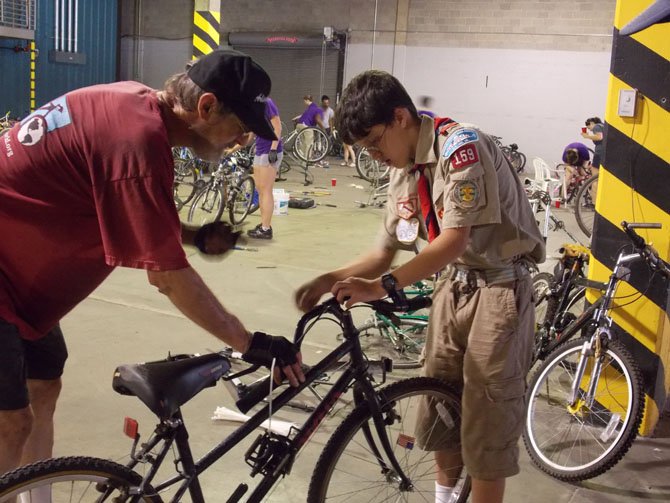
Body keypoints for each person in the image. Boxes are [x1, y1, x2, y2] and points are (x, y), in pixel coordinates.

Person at [0, 49, 304, 476]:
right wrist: (248, 342)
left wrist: (195, 236)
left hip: (17, 287)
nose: (240, 142)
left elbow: (131, 206)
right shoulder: (137, 141)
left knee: (43, 386)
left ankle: (32, 491)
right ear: (207, 106)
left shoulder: (134, 104)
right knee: (10, 423)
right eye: (238, 128)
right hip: (4, 285)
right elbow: (167, 277)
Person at [295, 70, 545, 503]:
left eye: (374, 142)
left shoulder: (460, 148)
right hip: (453, 288)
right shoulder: (402, 171)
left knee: (485, 424)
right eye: (363, 150)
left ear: (400, 118)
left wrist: (382, 286)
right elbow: (382, 254)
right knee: (440, 410)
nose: (373, 156)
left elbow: (453, 240)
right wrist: (329, 278)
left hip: (499, 290)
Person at [247, 97, 283, 240]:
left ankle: (266, 229)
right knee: (260, 189)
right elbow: (252, 132)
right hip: (260, 150)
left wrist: (273, 149)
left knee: (266, 190)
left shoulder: (267, 103)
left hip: (270, 151)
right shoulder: (251, 106)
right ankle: (263, 224)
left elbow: (278, 127)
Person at [293, 94, 327, 166]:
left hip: (299, 125)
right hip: (306, 127)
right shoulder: (318, 110)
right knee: (309, 144)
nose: (304, 102)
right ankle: (306, 163)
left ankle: (301, 161)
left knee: (303, 144)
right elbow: (318, 120)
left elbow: (303, 116)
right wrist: (323, 130)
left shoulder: (310, 108)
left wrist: (296, 119)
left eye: (304, 101)